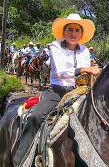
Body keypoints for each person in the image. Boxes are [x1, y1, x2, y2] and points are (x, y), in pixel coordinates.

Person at [13, 13, 100, 165]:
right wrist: (86, 68)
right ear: (64, 32)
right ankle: (20, 159)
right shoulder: (55, 46)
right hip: (58, 91)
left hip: (80, 91)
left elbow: (87, 75)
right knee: (35, 117)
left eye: (77, 30)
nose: (73, 33)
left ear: (81, 34)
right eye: (70, 30)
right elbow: (60, 72)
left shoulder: (85, 50)